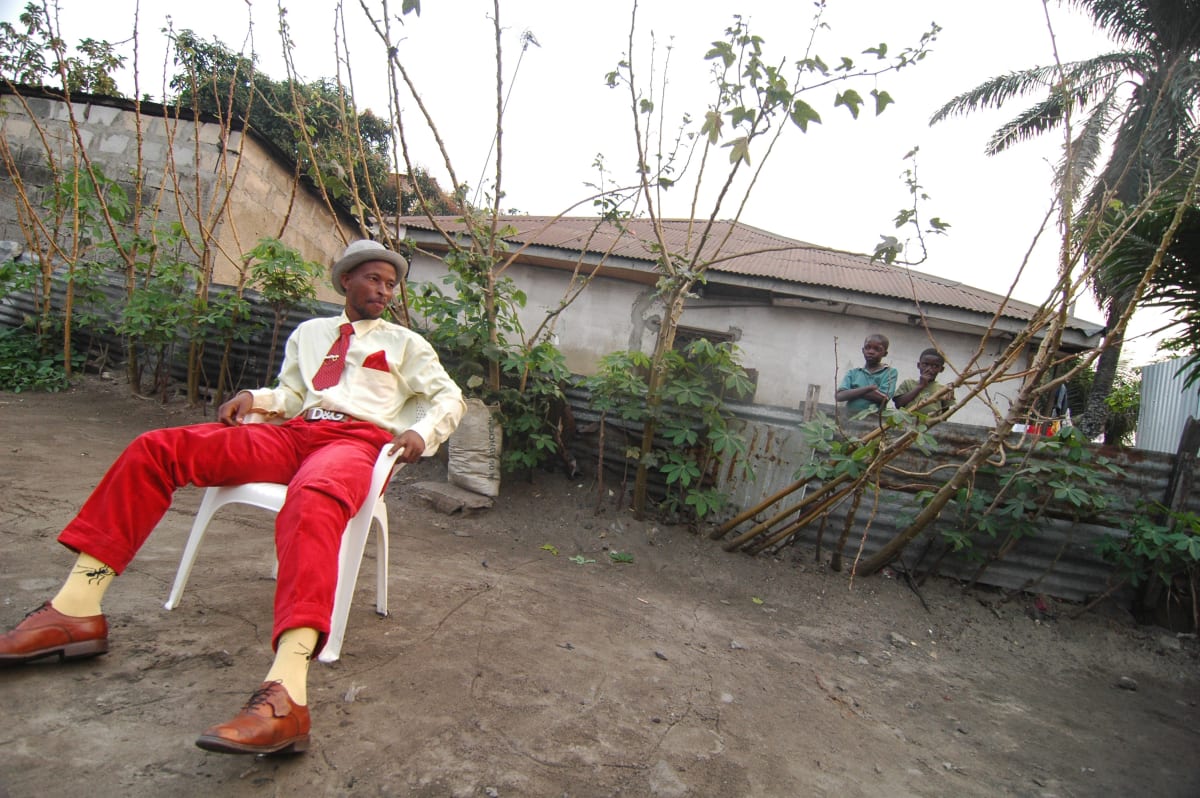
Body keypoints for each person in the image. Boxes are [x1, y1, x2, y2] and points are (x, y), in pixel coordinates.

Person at [0, 239, 466, 756]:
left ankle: (288, 691)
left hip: (356, 444)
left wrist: (423, 435)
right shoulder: (311, 334)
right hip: (294, 434)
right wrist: (256, 399)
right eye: (374, 279)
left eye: (390, 283)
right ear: (346, 280)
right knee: (157, 448)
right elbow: (291, 395)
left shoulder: (406, 343)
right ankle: (77, 607)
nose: (383, 290)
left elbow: (449, 396)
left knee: (312, 499)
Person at [835, 333, 898, 417]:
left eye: (877, 349)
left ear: (885, 353)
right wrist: (868, 389)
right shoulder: (853, 373)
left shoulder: (889, 372)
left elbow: (883, 398)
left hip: (874, 419)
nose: (871, 352)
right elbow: (839, 396)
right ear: (863, 350)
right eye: (867, 348)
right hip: (849, 417)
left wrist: (853, 391)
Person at [894, 347, 953, 414]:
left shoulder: (943, 389)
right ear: (918, 365)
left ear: (941, 369)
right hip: (907, 423)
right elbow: (898, 404)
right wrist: (920, 386)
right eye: (925, 364)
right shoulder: (908, 383)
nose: (929, 369)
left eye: (935, 366)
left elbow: (944, 414)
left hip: (931, 423)